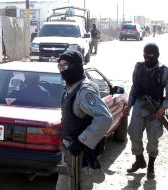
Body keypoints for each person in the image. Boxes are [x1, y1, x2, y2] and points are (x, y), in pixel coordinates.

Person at [56, 50, 113, 190]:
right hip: (70, 151)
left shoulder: (84, 91)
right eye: (60, 66)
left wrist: (81, 141)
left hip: (81, 155)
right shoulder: (71, 88)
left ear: (75, 66)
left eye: (65, 66)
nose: (62, 70)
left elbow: (105, 118)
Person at [123, 43, 168, 179]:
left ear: (156, 55)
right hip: (139, 104)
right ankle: (139, 159)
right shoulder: (139, 67)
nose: (146, 56)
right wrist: (129, 105)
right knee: (133, 132)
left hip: (155, 108)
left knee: (153, 138)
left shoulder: (164, 70)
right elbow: (134, 88)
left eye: (150, 54)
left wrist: (163, 108)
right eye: (145, 53)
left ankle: (151, 166)